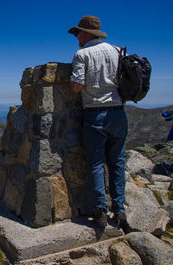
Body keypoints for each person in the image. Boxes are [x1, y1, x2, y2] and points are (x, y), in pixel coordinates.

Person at [68, 15, 128, 228]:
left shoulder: (82, 54)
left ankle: (100, 210)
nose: (77, 39)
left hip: (95, 113)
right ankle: (119, 211)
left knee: (95, 163)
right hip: (119, 112)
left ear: (85, 34)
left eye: (78, 34)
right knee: (117, 162)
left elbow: (76, 85)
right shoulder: (117, 50)